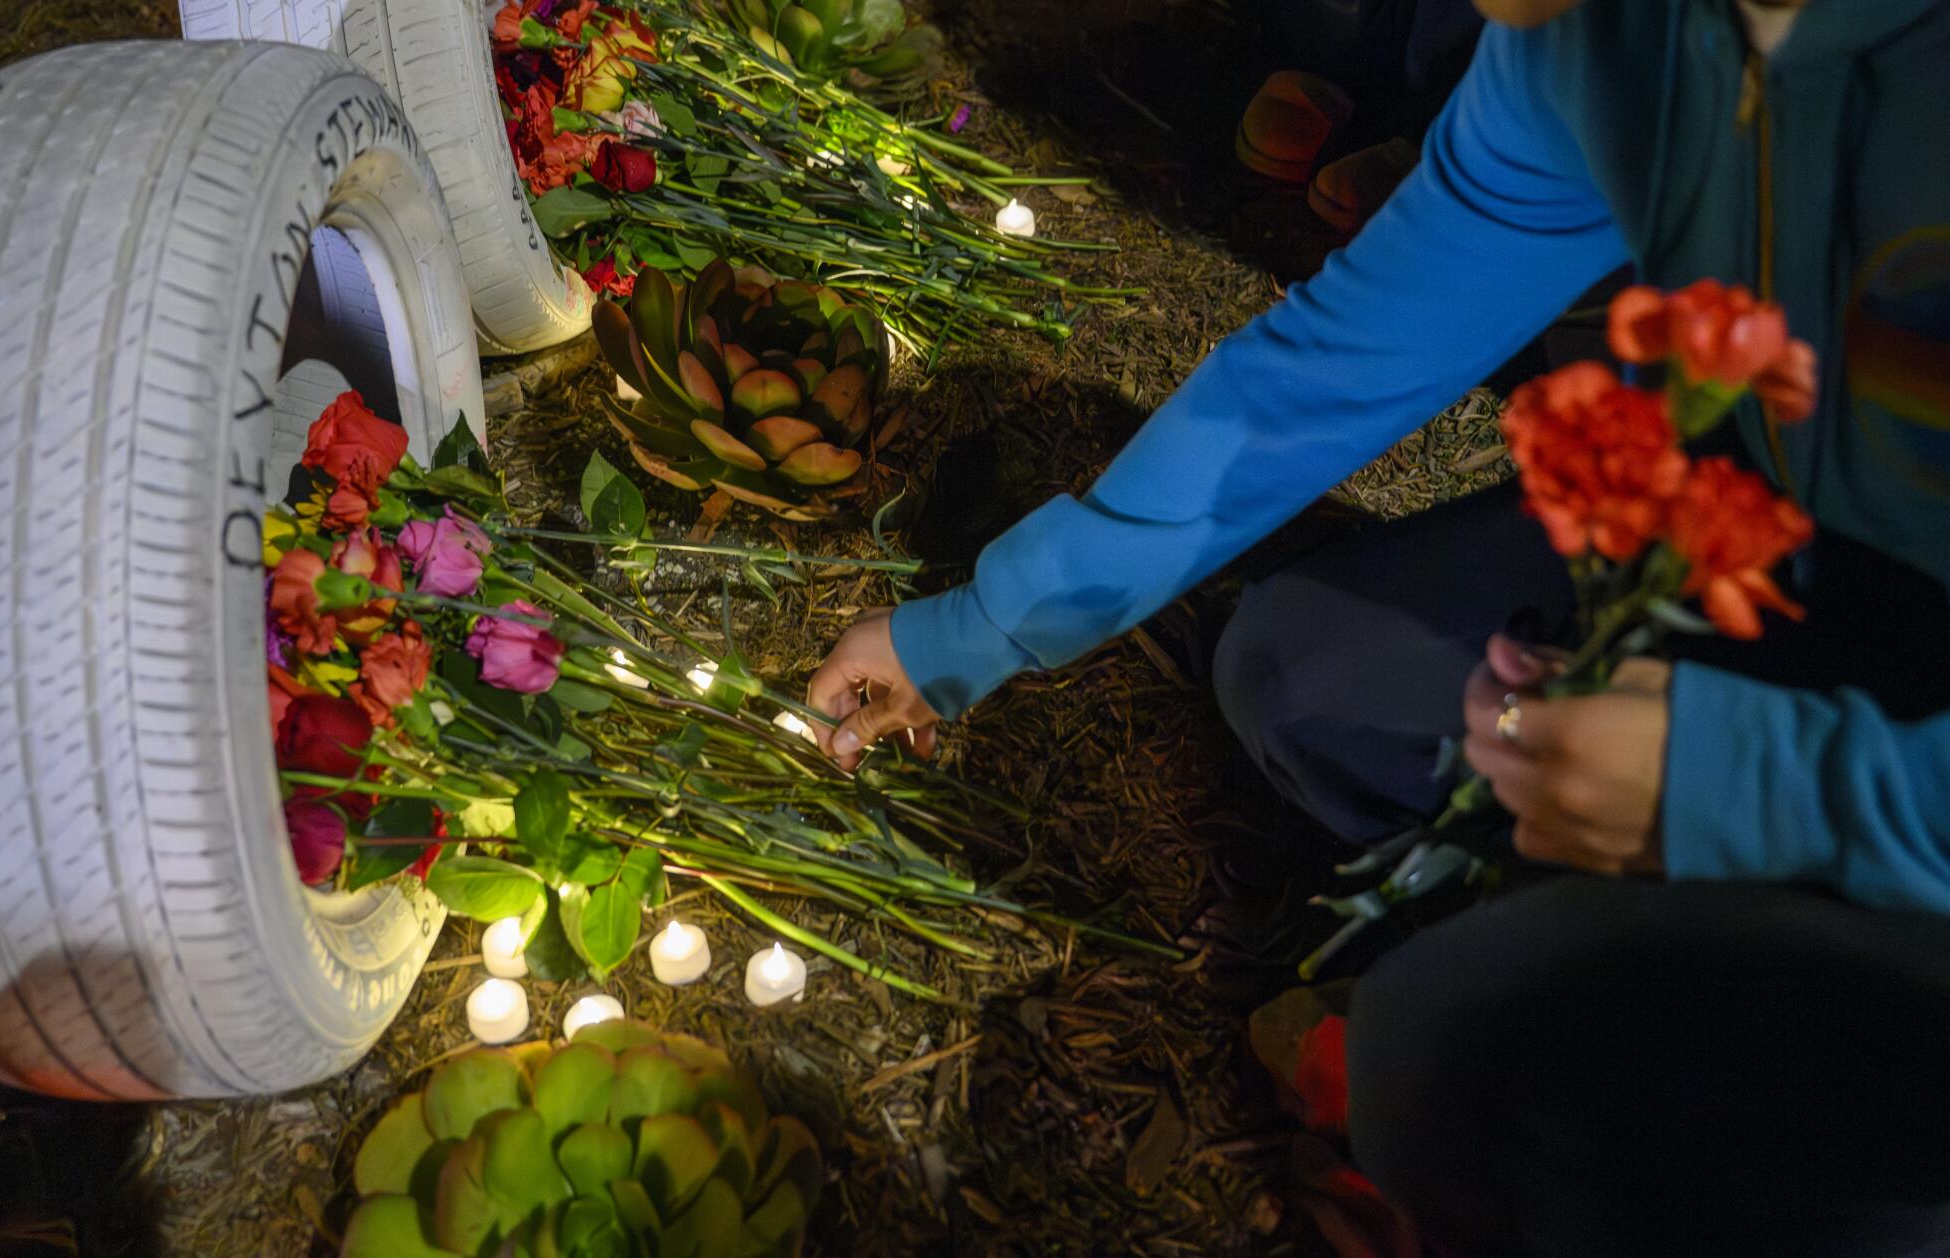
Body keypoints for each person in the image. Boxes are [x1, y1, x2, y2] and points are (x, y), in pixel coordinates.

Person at [810, 0, 1950, 1250]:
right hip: (1761, 549)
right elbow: (1335, 361)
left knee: (1467, 1074)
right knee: (1312, 679)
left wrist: (1749, 784)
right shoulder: (1596, 36)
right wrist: (979, 627)